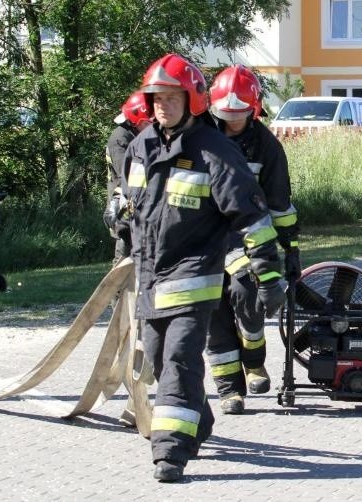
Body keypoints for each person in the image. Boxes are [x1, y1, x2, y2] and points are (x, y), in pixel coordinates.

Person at [115, 53, 286, 482]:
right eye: (156, 97)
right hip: (152, 276)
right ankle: (199, 421)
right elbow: (127, 202)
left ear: (191, 100)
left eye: (172, 97)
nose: (162, 105)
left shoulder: (215, 150)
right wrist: (116, 218)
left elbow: (252, 216)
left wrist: (269, 276)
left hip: (194, 278)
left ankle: (169, 452)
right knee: (156, 358)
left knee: (178, 361)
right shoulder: (141, 146)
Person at [206, 64, 301, 415]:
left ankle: (254, 360)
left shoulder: (267, 147)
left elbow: (280, 204)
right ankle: (230, 389)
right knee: (212, 312)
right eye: (225, 114)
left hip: (249, 238)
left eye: (239, 114)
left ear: (255, 109)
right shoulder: (203, 136)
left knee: (248, 296)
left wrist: (291, 248)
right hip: (206, 239)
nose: (232, 121)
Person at [103, 91, 152, 266]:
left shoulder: (138, 135)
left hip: (141, 200)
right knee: (124, 255)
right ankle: (116, 293)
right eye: (147, 122)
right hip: (122, 200)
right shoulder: (120, 138)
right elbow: (128, 174)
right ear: (135, 120)